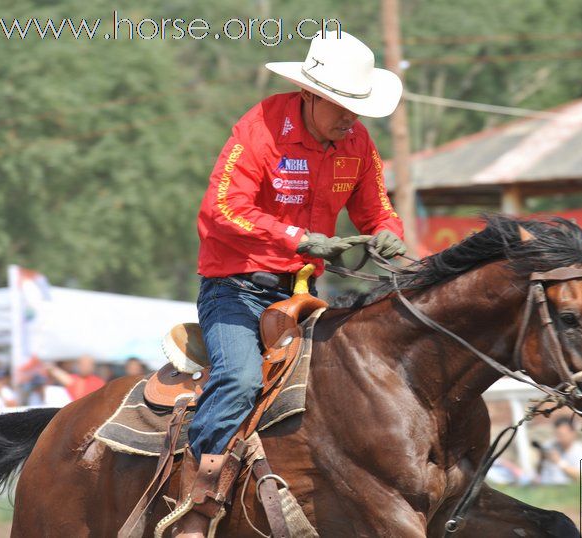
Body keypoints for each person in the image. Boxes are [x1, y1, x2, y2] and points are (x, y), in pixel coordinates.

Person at [177, 30, 406, 535]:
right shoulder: (259, 128)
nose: (352, 117)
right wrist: (298, 238)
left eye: (357, 106)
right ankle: (197, 504)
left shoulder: (357, 143)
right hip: (236, 288)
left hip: (300, 295)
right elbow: (221, 210)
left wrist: (388, 234)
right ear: (312, 94)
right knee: (238, 379)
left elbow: (377, 209)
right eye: (343, 105)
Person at [537, 417, 582, 485]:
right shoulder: (549, 445)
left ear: (573, 433)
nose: (559, 439)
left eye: (562, 435)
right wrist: (541, 459)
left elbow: (581, 477)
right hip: (545, 487)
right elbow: (539, 471)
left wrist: (559, 462)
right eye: (557, 435)